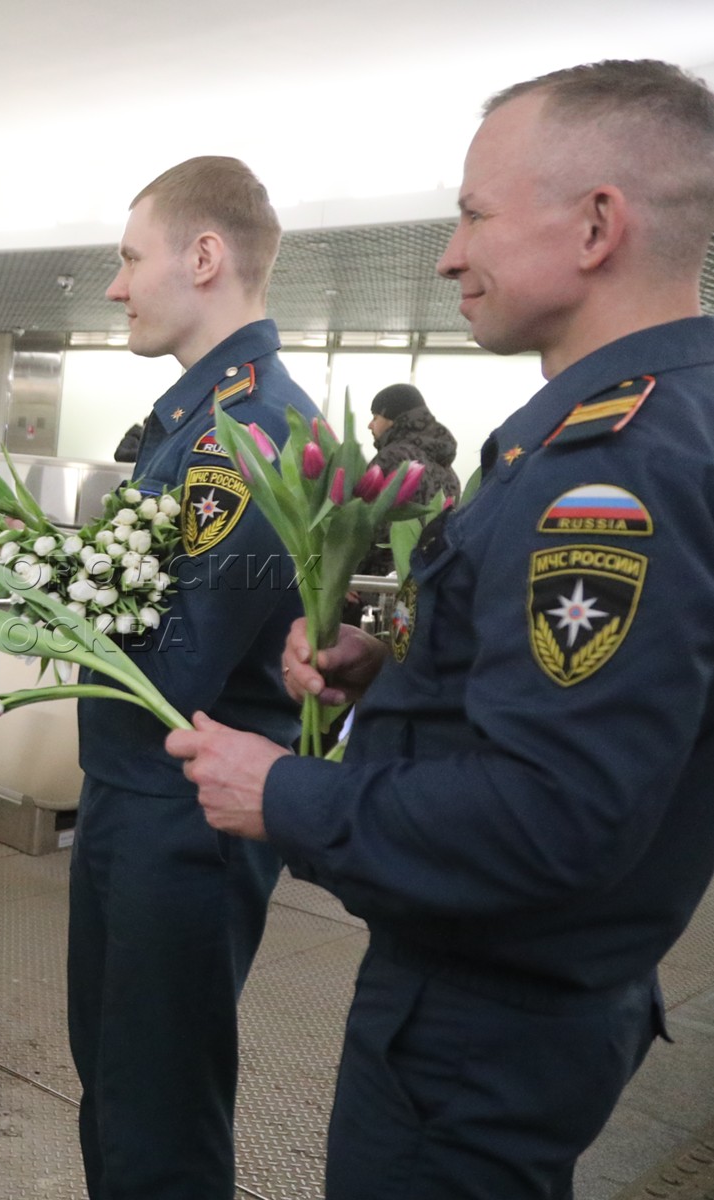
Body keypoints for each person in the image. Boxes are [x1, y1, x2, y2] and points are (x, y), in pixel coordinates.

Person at [168, 60, 714, 1199]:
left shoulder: (608, 471)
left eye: (472, 215)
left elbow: (551, 817)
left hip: (483, 1023)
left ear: (597, 225)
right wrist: (398, 679)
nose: (448, 254)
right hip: (556, 993)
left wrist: (284, 793)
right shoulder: (656, 420)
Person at [71, 156, 319, 1200]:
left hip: (181, 818)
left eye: (131, 259)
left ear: (205, 257)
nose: (118, 285)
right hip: (134, 800)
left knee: (156, 1113)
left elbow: (176, 661)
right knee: (119, 1086)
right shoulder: (193, 423)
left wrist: (59, 590)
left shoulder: (244, 430)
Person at [356, 382, 460, 576]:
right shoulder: (446, 467)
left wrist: (348, 573)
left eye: (375, 416)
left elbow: (370, 526)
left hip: (381, 581)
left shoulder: (393, 457)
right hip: (427, 575)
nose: (370, 424)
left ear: (393, 419)